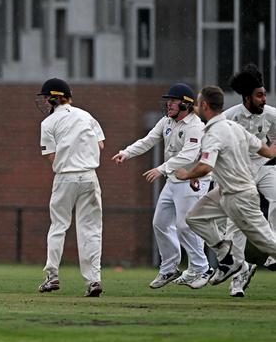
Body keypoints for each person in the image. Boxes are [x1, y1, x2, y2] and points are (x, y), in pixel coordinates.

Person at [111, 83, 212, 289]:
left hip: (192, 180)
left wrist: (162, 169)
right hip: (174, 180)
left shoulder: (195, 126)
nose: (169, 104)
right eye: (168, 101)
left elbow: (189, 154)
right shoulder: (166, 121)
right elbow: (148, 140)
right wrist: (126, 152)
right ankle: (169, 268)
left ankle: (202, 268)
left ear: (185, 104)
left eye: (173, 101)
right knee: (160, 223)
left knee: (185, 226)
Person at [175, 86, 276, 290]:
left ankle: (232, 260)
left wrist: (187, 174)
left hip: (241, 196)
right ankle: (228, 258)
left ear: (204, 105)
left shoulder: (215, 133)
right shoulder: (233, 126)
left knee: (267, 243)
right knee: (194, 217)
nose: (196, 106)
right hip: (223, 192)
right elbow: (266, 151)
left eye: (198, 103)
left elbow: (206, 166)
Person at [35, 78, 104, 297]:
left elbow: (52, 157)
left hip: (65, 177)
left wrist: (68, 151)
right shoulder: (86, 116)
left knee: (58, 226)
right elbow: (100, 143)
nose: (45, 102)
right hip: (89, 177)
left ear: (54, 99)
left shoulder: (48, 124)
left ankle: (52, 275)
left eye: (47, 98)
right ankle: (93, 280)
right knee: (90, 229)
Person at [222, 64, 276, 296]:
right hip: (239, 174)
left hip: (263, 167)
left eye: (264, 94)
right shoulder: (229, 117)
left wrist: (272, 149)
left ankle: (273, 254)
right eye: (259, 95)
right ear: (247, 97)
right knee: (236, 223)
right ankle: (238, 278)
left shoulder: (271, 114)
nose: (264, 99)